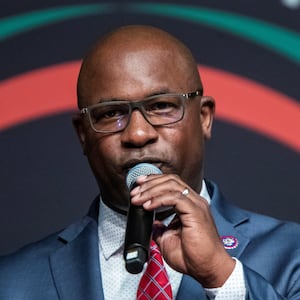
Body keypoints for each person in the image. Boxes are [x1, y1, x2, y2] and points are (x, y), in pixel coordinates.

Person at [0, 25, 299, 300]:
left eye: (161, 106)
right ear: (83, 135)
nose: (138, 133)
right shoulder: (12, 282)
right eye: (110, 113)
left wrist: (221, 276)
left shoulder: (292, 253)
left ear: (204, 118)